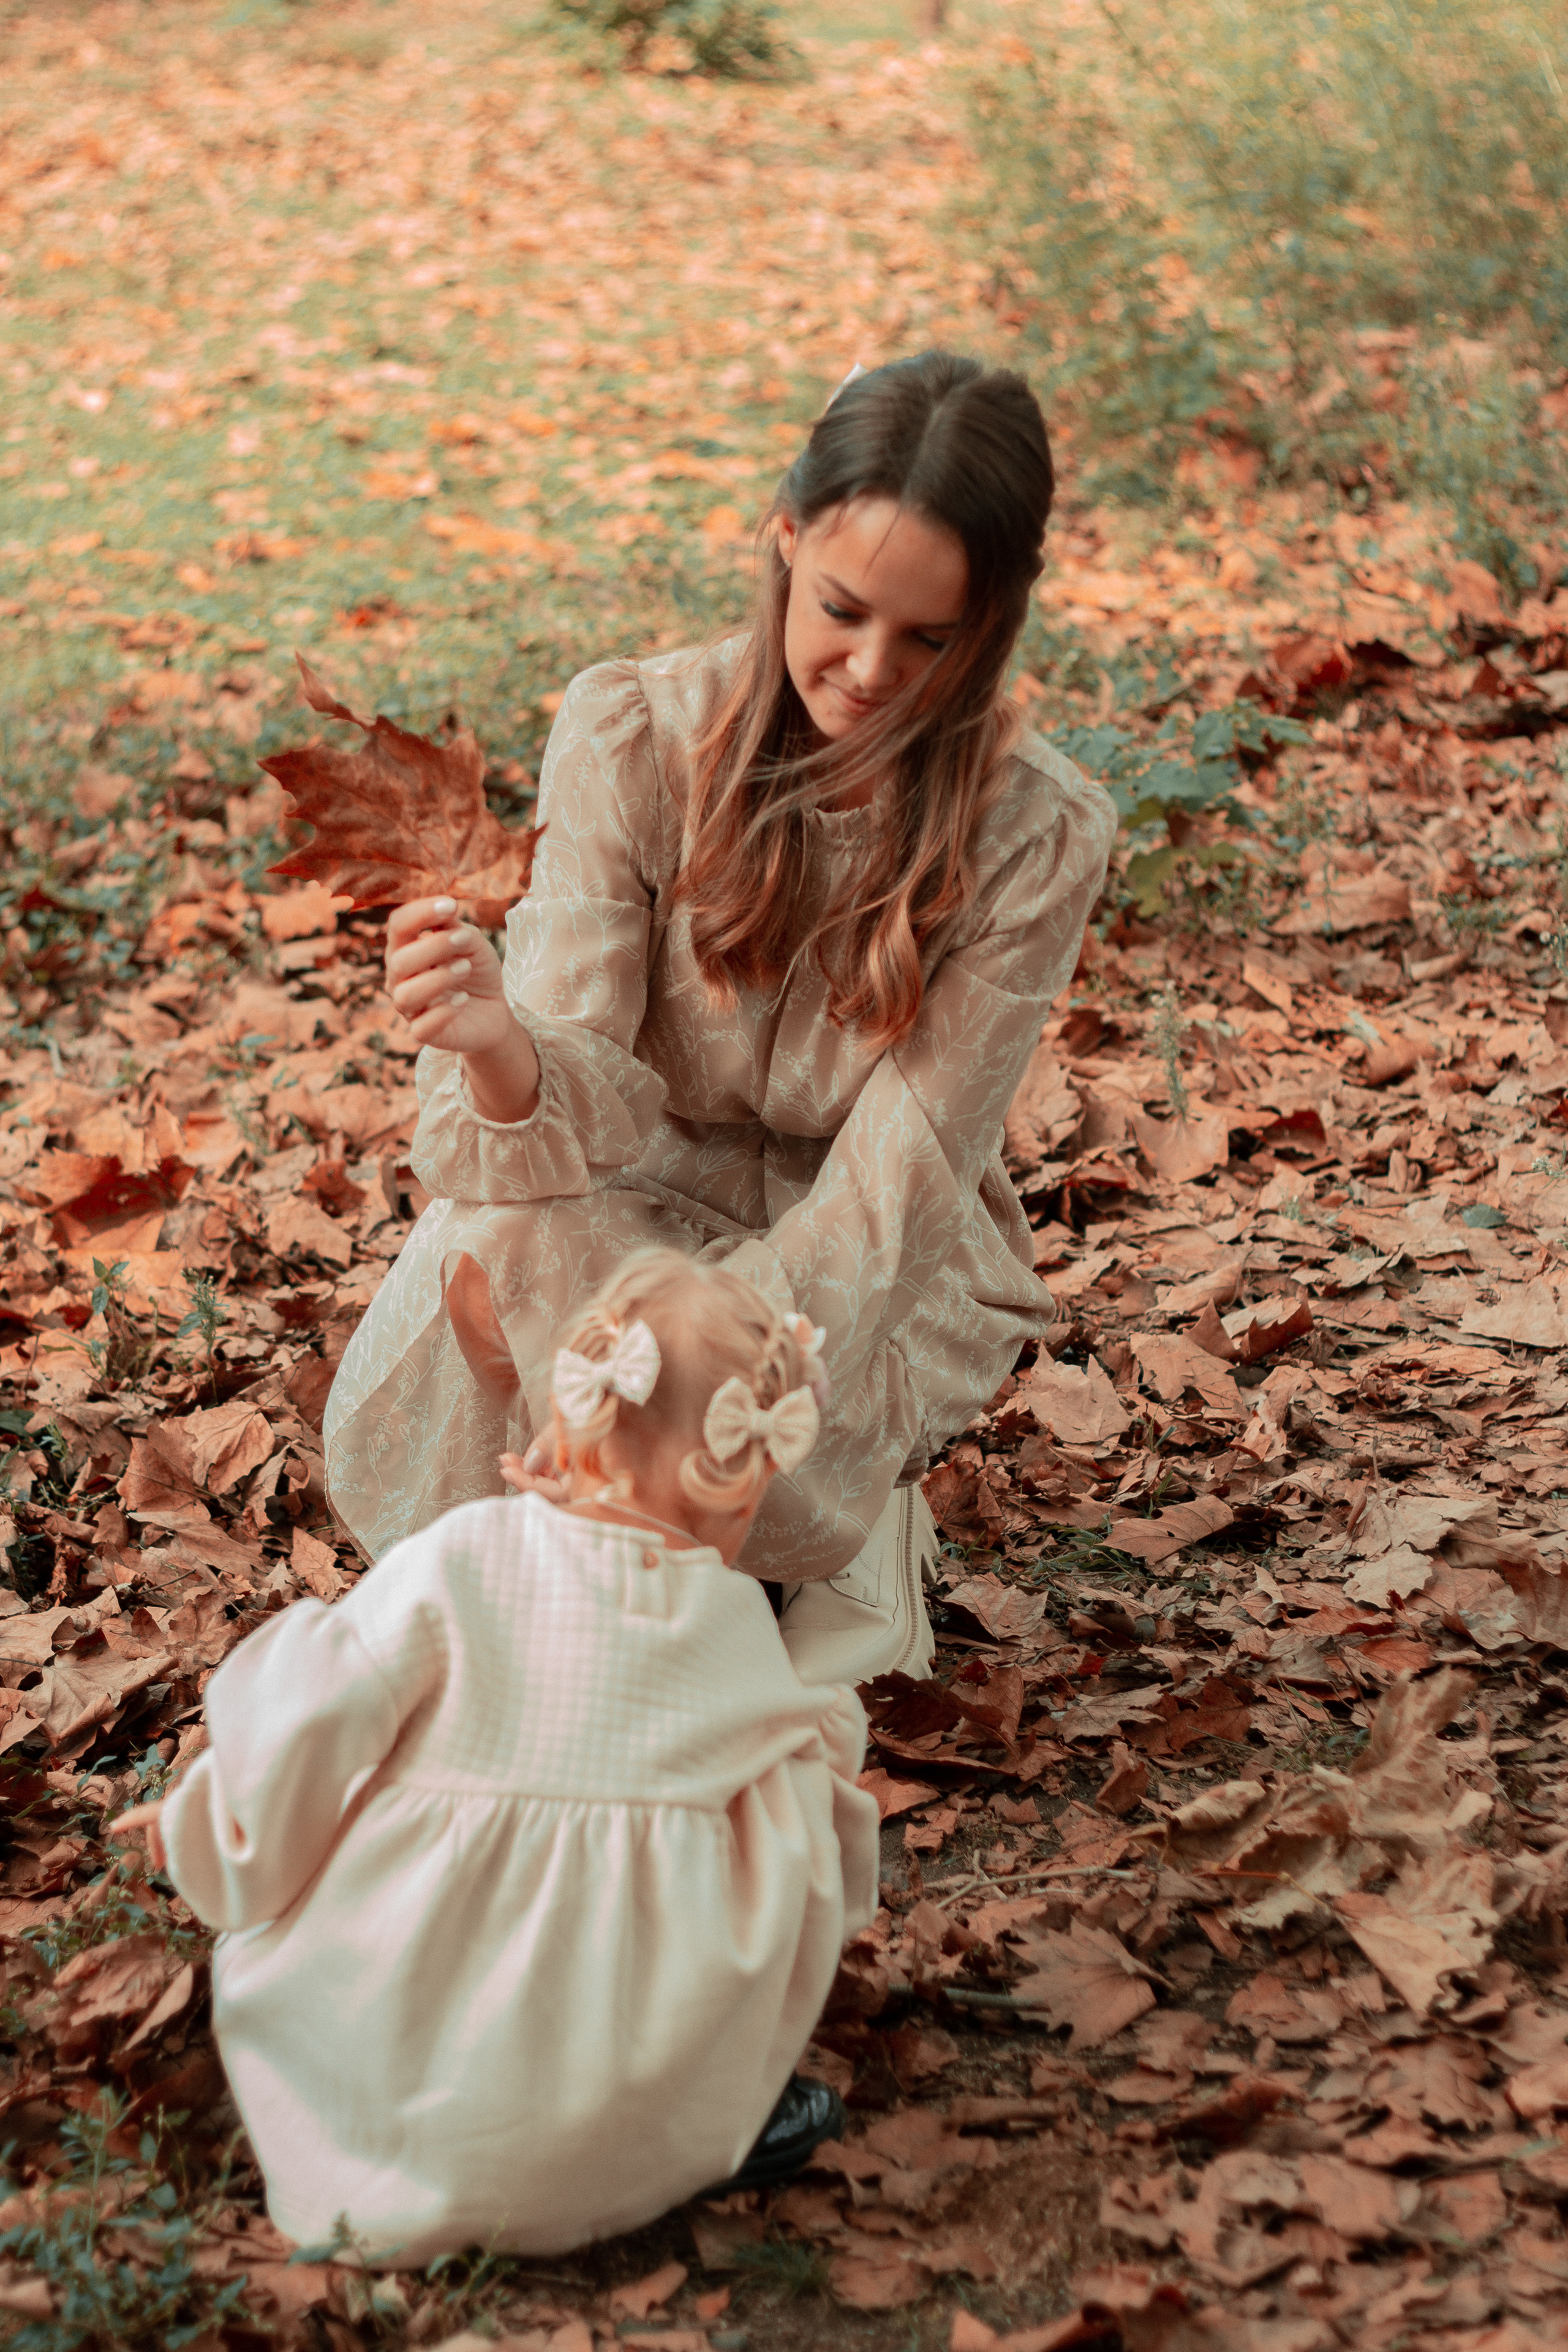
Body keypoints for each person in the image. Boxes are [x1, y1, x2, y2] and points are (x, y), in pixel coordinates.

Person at [324, 350, 1115, 1683]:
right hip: (630, 1188)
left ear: (994, 624)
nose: (869, 671)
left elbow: (902, 1179)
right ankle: (584, 1577)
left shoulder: (1033, 834)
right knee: (493, 1259)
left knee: (667, 1441)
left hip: (859, 1266)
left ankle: (834, 1535)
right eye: (842, 608)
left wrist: (699, 1360)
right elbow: (562, 1087)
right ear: (783, 540)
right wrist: (501, 1050)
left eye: (930, 639)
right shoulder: (634, 732)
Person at [113, 1252, 879, 2266]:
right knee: (785, 1793)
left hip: (379, 2078)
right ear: (740, 1490)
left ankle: (373, 2137)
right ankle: (671, 2121)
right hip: (612, 2126)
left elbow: (315, 1719)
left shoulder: (461, 1556)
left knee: (327, 1898)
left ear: (566, 1431)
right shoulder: (731, 1621)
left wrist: (212, 1825)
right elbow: (801, 1829)